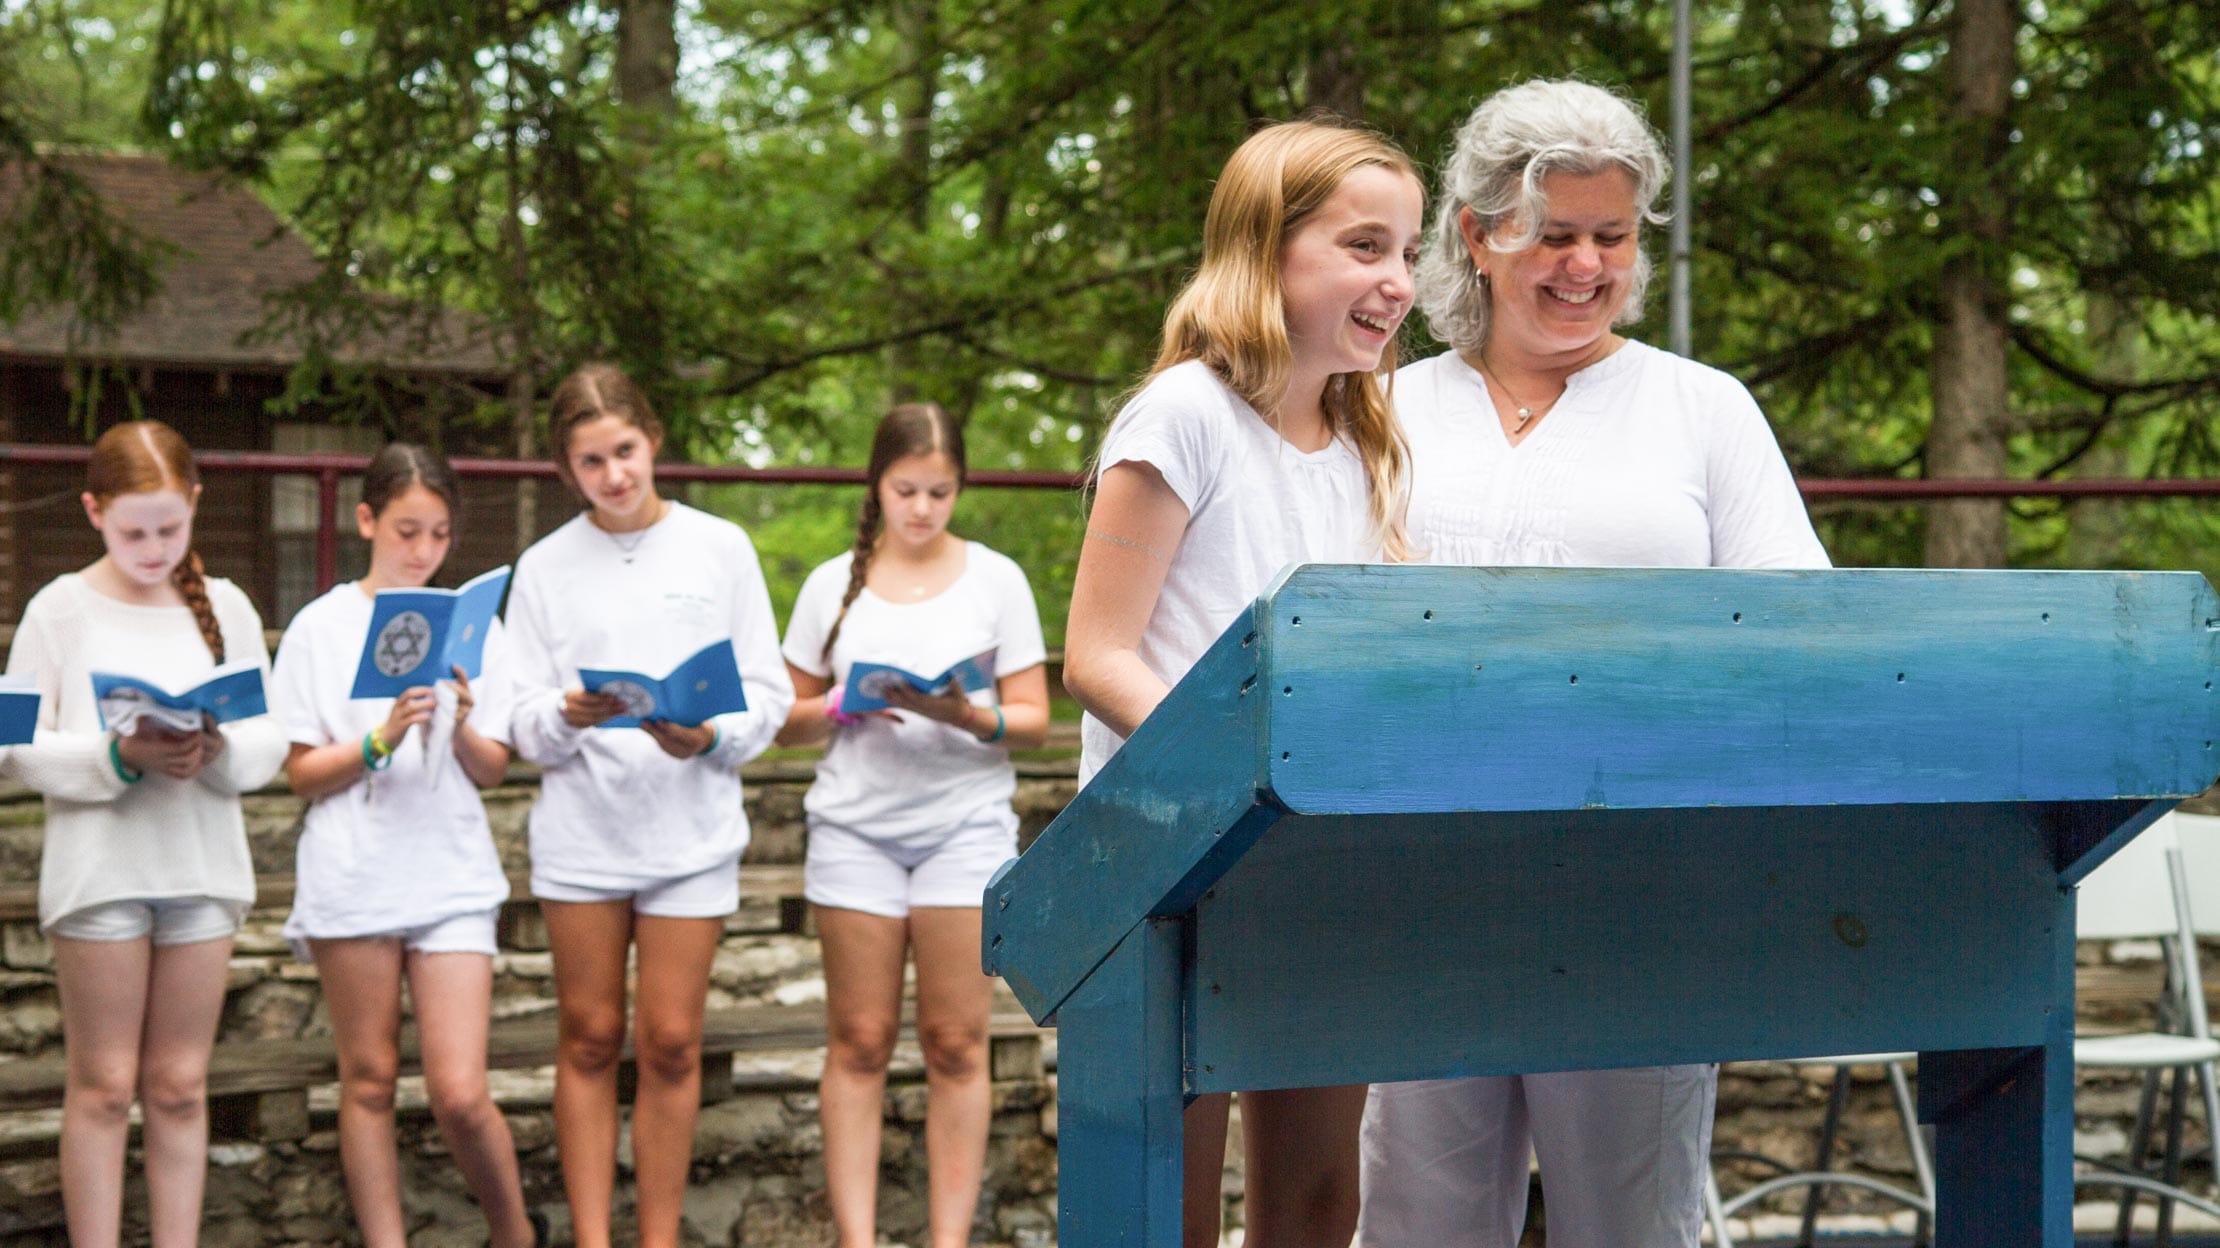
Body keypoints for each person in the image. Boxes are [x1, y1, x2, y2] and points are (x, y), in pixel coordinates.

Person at [1355, 79, 1830, 1248]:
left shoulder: (1702, 409)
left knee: (1630, 1220)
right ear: (1476, 235)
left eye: (1610, 237)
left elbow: (1798, 628)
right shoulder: (1383, 409)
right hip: (1421, 884)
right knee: (1416, 1218)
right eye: (1552, 235)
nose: (1584, 265)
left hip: (1642, 890)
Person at [1062, 118, 1422, 1248]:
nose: (1398, 282)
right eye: (1365, 246)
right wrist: (1243, 770)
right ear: (1268, 251)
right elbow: (1096, 654)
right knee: (1162, 1204)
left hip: (1317, 853)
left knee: (1318, 1202)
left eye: (1409, 254)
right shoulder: (1182, 417)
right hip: (1171, 853)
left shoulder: (1368, 440)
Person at [503, 362, 794, 1248]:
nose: (614, 476)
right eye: (591, 463)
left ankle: (657, 1236)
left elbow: (766, 692)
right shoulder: (543, 566)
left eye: (624, 452)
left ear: (652, 440)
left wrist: (709, 736)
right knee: (589, 1036)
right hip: (584, 835)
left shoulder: (720, 546)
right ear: (567, 469)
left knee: (670, 1041)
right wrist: (563, 711)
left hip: (691, 830)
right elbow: (514, 715)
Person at [3, 420, 287, 1248]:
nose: (154, 547)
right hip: (101, 880)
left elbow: (269, 734)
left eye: (172, 528)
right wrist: (118, 755)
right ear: (93, 511)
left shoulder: (226, 603)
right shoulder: (57, 608)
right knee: (101, 1086)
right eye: (134, 531)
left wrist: (219, 743)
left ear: (196, 504)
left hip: (201, 873)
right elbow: (15, 742)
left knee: (178, 1086)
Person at [776, 401, 1050, 1248]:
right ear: (877, 486)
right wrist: (837, 707)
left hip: (962, 823)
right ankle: (857, 1238)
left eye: (940, 491)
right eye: (906, 490)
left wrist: (970, 717)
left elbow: (1034, 715)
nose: (923, 508)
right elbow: (785, 719)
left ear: (959, 488)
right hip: (856, 827)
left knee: (956, 1040)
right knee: (858, 1039)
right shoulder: (833, 584)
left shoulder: (996, 578)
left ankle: (948, 1239)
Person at [268, 444, 538, 1248]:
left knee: (459, 1089)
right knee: (371, 1078)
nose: (422, 552)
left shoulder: (472, 621)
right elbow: (302, 774)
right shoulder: (321, 627)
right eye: (407, 531)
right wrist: (382, 738)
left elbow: (492, 770)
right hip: (354, 869)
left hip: (451, 869)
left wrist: (457, 710)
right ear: (366, 521)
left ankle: (516, 1232)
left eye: (440, 535)